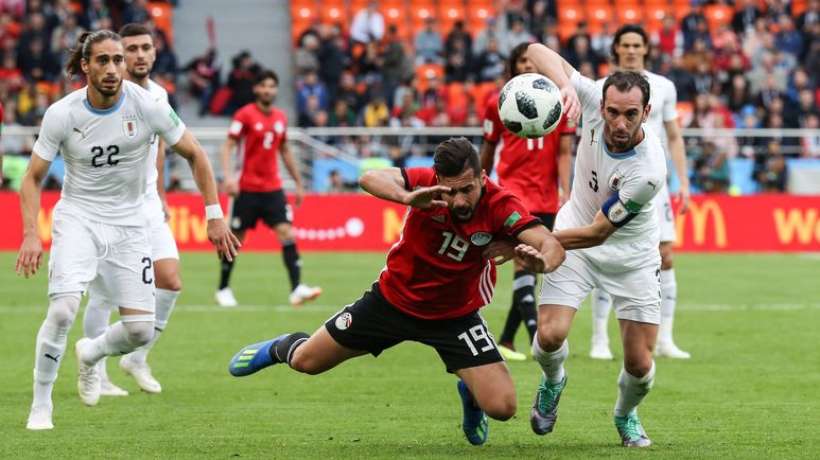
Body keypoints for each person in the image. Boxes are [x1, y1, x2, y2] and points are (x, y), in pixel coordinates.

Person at [227, 137, 565, 445]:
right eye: (450, 191)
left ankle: (471, 393)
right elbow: (368, 178)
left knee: (503, 407)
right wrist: (407, 197)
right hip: (392, 302)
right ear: (437, 180)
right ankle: (279, 347)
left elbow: (550, 244)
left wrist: (541, 263)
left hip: (455, 316)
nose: (459, 200)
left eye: (467, 189)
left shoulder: (501, 204)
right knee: (306, 363)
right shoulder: (424, 183)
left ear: (482, 177)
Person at [17, 30, 239, 430]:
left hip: (132, 222)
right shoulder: (62, 114)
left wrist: (214, 213)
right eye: (102, 60)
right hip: (80, 218)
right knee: (63, 308)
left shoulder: (149, 105)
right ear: (85, 66)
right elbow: (32, 178)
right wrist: (31, 233)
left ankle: (91, 353)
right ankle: (41, 404)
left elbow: (195, 154)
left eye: (117, 60)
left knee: (138, 331)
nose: (113, 68)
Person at [525, 42, 667, 447]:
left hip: (631, 257)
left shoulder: (648, 171)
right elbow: (535, 50)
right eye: (612, 112)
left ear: (646, 113)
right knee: (550, 336)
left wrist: (538, 239)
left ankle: (625, 414)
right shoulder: (589, 99)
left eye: (630, 114)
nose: (619, 123)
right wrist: (564, 85)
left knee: (639, 364)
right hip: (575, 239)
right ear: (600, 104)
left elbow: (599, 233)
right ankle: (553, 381)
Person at [80, 23, 182, 398]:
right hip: (106, 210)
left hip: (148, 207)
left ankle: (137, 357)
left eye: (145, 48)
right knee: (105, 296)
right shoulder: (100, 98)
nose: (140, 55)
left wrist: (161, 194)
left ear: (154, 54)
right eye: (132, 49)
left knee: (170, 280)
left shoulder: (159, 96)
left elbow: (160, 151)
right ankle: (96, 370)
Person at [589, 25, 692, 361]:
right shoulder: (598, 88)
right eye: (625, 45)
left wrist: (684, 184)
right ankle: (599, 339)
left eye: (637, 45)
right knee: (605, 255)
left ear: (646, 49)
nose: (631, 51)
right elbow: (589, 137)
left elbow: (673, 137)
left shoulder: (663, 87)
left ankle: (666, 339)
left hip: (653, 184)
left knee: (665, 257)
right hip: (612, 181)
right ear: (615, 49)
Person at [480, 42, 574, 361]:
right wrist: (479, 181)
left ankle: (507, 339)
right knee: (522, 261)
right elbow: (489, 148)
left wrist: (567, 190)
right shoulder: (498, 102)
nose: (528, 65)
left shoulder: (559, 101)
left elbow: (563, 151)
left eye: (532, 60)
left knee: (533, 267)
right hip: (512, 191)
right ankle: (536, 335)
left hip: (546, 195)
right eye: (522, 61)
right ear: (514, 66)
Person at [217, 70, 321, 307]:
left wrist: (298, 182)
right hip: (246, 188)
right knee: (236, 238)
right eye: (263, 86)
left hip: (272, 187)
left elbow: (284, 150)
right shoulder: (244, 115)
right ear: (256, 89)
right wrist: (228, 177)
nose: (268, 90)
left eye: (272, 86)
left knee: (287, 233)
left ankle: (296, 289)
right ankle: (223, 288)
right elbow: (228, 146)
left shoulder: (280, 118)